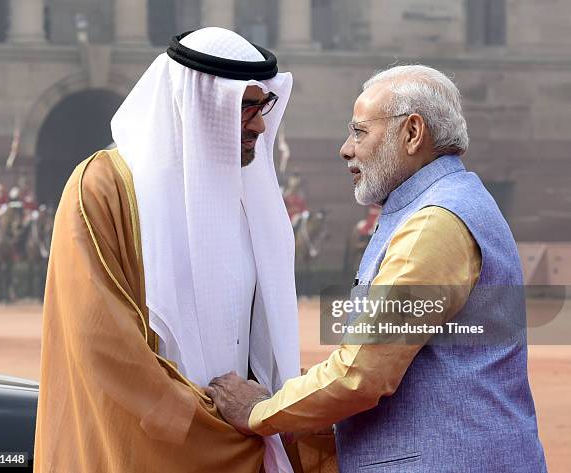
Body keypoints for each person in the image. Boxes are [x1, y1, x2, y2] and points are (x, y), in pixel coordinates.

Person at [206, 65, 548, 473]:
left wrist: (259, 410)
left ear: (412, 133)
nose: (346, 149)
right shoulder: (443, 204)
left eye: (359, 132)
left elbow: (364, 372)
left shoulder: (433, 223)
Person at [34, 28, 301, 473]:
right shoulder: (104, 189)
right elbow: (106, 347)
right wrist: (211, 428)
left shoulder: (248, 198)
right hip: (151, 446)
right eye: (245, 107)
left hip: (239, 438)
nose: (259, 123)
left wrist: (260, 414)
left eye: (263, 105)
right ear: (193, 105)